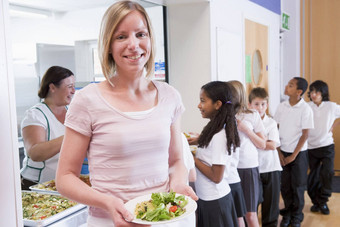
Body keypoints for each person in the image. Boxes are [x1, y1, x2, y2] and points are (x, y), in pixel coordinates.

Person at [55, 1, 197, 227]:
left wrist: (178, 183)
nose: (133, 44)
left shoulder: (170, 96)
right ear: (108, 45)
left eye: (141, 34)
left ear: (150, 39)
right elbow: (64, 178)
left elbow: (177, 160)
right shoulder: (87, 100)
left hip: (163, 219)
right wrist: (107, 202)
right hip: (109, 222)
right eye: (121, 37)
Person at [20, 66, 75, 190]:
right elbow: (35, 153)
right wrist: (72, 135)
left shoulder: (71, 112)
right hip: (35, 185)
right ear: (52, 87)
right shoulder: (35, 114)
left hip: (61, 182)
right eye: (69, 86)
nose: (73, 91)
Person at [193, 81, 239, 227]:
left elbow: (216, 176)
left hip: (215, 201)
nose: (199, 105)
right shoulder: (215, 127)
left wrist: (193, 159)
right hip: (208, 198)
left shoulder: (219, 135)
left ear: (217, 104)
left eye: (202, 101)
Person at [274, 77, 314, 227]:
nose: (286, 86)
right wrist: (279, 153)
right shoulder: (281, 106)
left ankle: (297, 216)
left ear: (299, 92)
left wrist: (293, 156)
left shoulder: (305, 109)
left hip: (298, 154)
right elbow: (275, 130)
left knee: (297, 186)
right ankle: (288, 213)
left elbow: (305, 135)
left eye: (290, 85)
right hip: (282, 152)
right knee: (285, 186)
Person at [228, 80, 266, 227]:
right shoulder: (224, 114)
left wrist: (246, 130)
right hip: (229, 168)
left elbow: (262, 144)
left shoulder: (252, 115)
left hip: (247, 167)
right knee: (236, 214)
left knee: (250, 214)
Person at [248, 87, 282, 227]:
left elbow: (272, 145)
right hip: (253, 168)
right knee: (252, 205)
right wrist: (263, 141)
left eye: (263, 104)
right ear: (249, 105)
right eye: (256, 104)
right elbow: (264, 144)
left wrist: (254, 140)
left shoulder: (271, 123)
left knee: (271, 205)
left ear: (267, 105)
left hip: (271, 168)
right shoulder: (246, 122)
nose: (260, 108)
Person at [306, 80, 340, 215]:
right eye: (312, 92)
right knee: (313, 177)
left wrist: (334, 125)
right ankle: (316, 202)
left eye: (317, 92)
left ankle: (323, 201)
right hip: (311, 147)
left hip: (327, 146)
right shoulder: (307, 106)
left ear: (323, 93)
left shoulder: (331, 107)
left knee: (327, 173)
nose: (314, 94)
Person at [224, 81, 247, 227]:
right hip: (233, 178)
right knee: (238, 218)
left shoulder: (229, 121)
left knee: (237, 219)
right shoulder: (231, 120)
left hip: (229, 180)